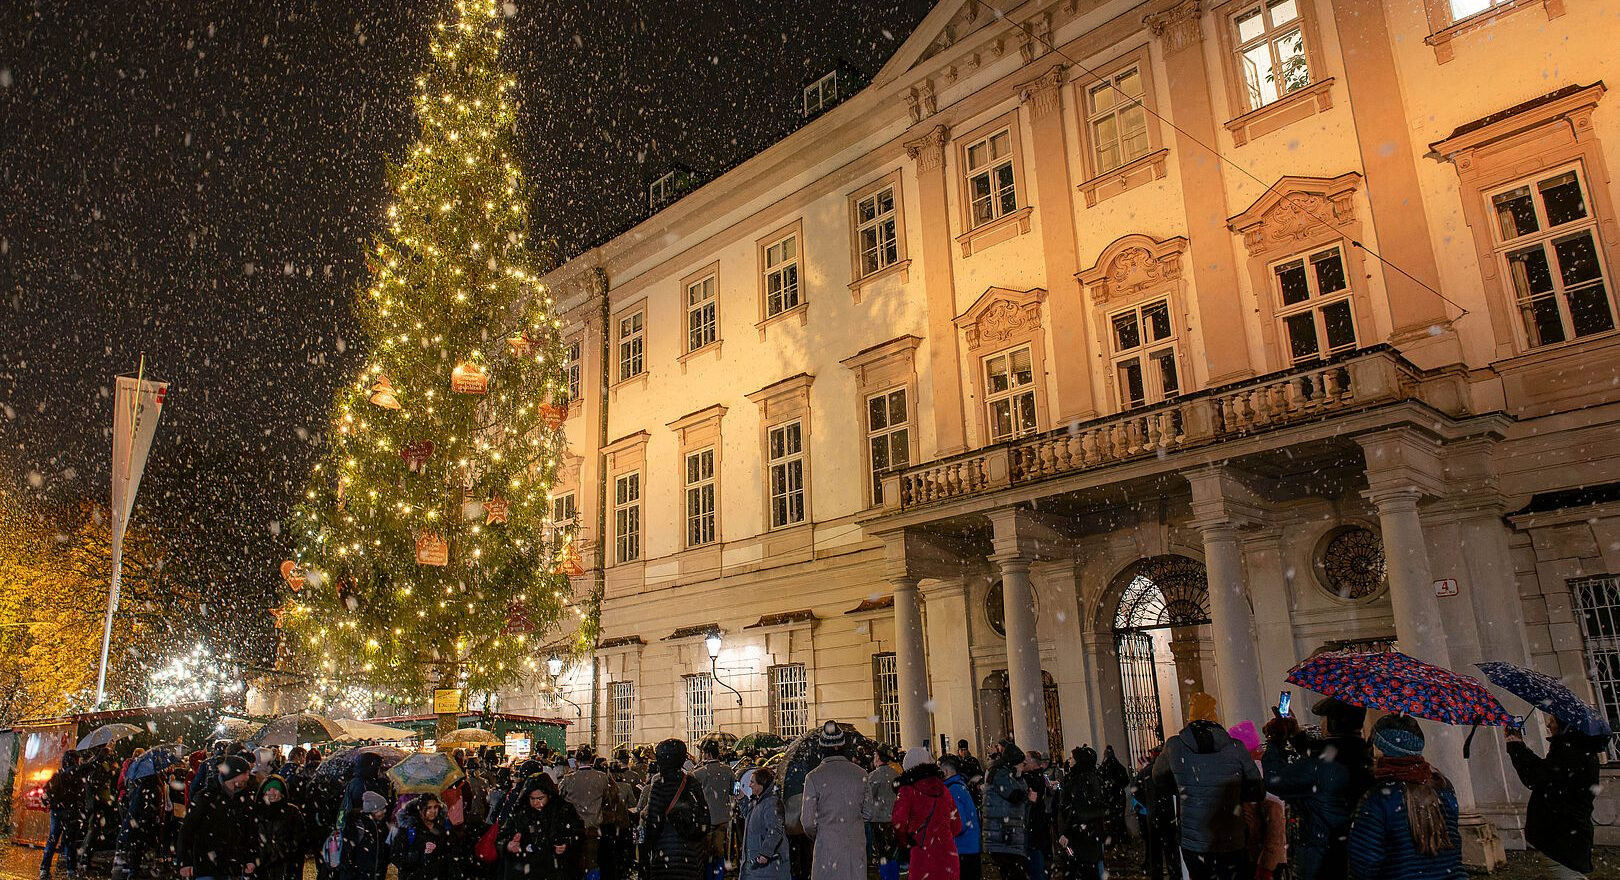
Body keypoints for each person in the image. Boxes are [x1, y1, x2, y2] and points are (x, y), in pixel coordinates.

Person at [1261, 698, 1374, 880]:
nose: (1321, 725)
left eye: (1324, 719)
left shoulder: (1319, 767)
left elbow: (1275, 780)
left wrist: (1275, 742)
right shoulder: (1362, 754)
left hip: (1320, 857)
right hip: (1353, 852)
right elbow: (1323, 754)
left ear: (1332, 723)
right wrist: (1296, 734)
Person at [1153, 694, 1262, 880]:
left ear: (1190, 716)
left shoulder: (1174, 746)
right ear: (1214, 715)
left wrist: (1184, 788)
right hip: (1231, 835)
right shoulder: (1236, 747)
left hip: (1194, 838)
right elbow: (1257, 790)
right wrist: (1232, 794)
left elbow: (1159, 780)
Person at [1346, 714, 1464, 880]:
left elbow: (1364, 863)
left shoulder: (1379, 798)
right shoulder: (1443, 787)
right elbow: (1453, 848)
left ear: (1381, 750)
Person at [1505, 712, 1606, 878]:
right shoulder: (1579, 749)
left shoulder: (1569, 751)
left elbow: (1536, 777)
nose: (1548, 725)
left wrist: (1515, 745)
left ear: (1565, 725)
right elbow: (1545, 774)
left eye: (1552, 721)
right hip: (1568, 836)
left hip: (1561, 838)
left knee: (1567, 875)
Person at [801, 721, 868, 880]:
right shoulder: (861, 774)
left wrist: (823, 832)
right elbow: (868, 812)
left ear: (822, 748)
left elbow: (808, 822)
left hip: (827, 848)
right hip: (854, 846)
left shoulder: (813, 777)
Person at [176, 754, 259, 880]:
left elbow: (249, 831)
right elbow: (187, 830)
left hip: (232, 867)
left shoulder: (243, 799)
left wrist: (250, 858)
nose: (247, 777)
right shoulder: (205, 798)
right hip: (206, 866)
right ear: (232, 774)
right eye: (245, 773)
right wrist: (184, 862)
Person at [639, 738, 709, 880]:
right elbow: (704, 817)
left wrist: (646, 854)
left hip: (666, 854)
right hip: (691, 854)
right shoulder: (692, 782)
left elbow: (653, 825)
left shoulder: (660, 785)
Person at [892, 747, 963, 880]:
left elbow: (899, 822)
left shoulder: (907, 790)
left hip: (921, 855)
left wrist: (906, 841)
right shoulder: (944, 790)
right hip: (948, 856)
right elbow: (957, 826)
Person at [498, 774, 581, 880]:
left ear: (549, 795)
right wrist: (508, 845)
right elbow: (502, 835)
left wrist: (567, 844)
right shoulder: (520, 811)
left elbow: (577, 833)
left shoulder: (563, 810)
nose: (536, 802)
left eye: (540, 798)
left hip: (555, 869)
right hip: (525, 869)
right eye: (532, 798)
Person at [1054, 747, 1108, 880]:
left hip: (1080, 836)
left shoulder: (1081, 781)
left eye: (1072, 758)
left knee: (1079, 868)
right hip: (1087, 834)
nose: (1069, 761)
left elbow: (1077, 809)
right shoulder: (1090, 778)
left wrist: (1066, 831)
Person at [560, 745, 612, 879]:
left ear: (576, 760)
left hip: (573, 828)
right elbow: (608, 798)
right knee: (592, 861)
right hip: (593, 827)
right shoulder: (601, 777)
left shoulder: (569, 779)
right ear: (591, 759)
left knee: (574, 862)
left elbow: (560, 798)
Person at [982, 740, 1032, 880]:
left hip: (1004, 835)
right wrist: (1026, 795)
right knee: (1013, 873)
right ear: (1014, 764)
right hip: (1004, 836)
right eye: (1022, 765)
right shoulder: (1001, 774)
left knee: (1011, 873)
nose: (1023, 768)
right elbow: (1013, 796)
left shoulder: (1000, 773)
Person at [690, 741, 737, 880]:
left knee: (707, 852)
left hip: (707, 818)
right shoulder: (728, 770)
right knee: (720, 851)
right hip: (723, 816)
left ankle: (709, 876)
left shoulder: (698, 774)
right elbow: (735, 790)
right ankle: (720, 875)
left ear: (707, 754)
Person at [740, 767, 789, 880]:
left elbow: (775, 830)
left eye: (752, 782)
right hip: (758, 867)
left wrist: (765, 853)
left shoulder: (771, 803)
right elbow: (749, 816)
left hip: (766, 869)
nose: (749, 785)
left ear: (762, 784)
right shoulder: (758, 800)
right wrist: (741, 799)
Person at [41, 751, 84, 879]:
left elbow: (46, 793)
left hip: (57, 812)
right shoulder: (76, 773)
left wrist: (48, 801)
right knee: (70, 842)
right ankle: (71, 871)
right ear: (75, 760)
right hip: (70, 813)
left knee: (52, 840)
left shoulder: (58, 774)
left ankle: (44, 869)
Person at [257, 776, 306, 880]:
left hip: (287, 862)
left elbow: (300, 836)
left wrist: (287, 851)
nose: (272, 793)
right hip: (263, 863)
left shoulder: (292, 811)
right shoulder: (258, 811)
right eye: (268, 789)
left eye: (276, 789)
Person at [863, 745, 900, 880]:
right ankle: (893, 876)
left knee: (882, 853)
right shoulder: (895, 774)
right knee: (893, 853)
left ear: (877, 757)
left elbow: (868, 798)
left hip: (878, 819)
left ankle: (885, 876)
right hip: (894, 818)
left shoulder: (873, 776)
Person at [338, 790, 391, 880]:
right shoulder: (357, 826)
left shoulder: (379, 825)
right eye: (381, 809)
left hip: (371, 873)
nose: (384, 812)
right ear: (373, 811)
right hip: (360, 875)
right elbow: (347, 855)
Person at [1022, 751, 1053, 880]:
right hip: (1036, 823)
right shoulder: (1037, 776)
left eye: (1027, 760)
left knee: (1035, 856)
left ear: (1034, 763)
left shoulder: (1035, 777)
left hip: (1034, 823)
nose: (1024, 763)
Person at [1097, 746, 1130, 847]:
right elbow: (1125, 780)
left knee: (1111, 821)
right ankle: (1121, 841)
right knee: (1118, 821)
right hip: (1117, 797)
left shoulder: (1104, 768)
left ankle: (1114, 842)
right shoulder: (1118, 766)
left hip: (1110, 797)